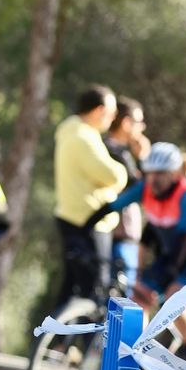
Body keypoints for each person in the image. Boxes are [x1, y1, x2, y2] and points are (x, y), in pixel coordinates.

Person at [87, 142, 186, 364]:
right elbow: (113, 206)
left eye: (160, 174)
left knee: (175, 298)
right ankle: (138, 352)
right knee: (138, 298)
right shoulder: (145, 189)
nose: (154, 180)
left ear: (174, 174)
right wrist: (85, 226)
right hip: (173, 254)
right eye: (149, 173)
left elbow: (184, 240)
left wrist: (168, 274)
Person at [51, 85, 126, 307]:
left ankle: (56, 340)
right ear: (99, 110)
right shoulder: (84, 137)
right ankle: (87, 341)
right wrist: (122, 172)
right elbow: (113, 176)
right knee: (94, 292)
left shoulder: (69, 132)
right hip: (91, 222)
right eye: (112, 113)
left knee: (70, 286)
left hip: (70, 218)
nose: (113, 119)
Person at [103, 97, 149, 292]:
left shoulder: (118, 151)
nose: (143, 128)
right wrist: (145, 159)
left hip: (120, 236)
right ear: (126, 123)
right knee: (122, 302)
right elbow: (143, 189)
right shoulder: (114, 152)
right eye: (139, 122)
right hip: (120, 235)